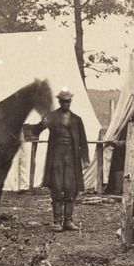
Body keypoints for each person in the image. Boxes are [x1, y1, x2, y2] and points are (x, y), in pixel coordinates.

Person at [29, 88, 90, 231]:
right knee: (56, 187)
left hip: (72, 157)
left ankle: (68, 221)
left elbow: (83, 140)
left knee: (70, 187)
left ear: (71, 102)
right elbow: (36, 131)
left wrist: (85, 159)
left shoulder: (77, 119)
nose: (65, 104)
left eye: (68, 101)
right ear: (59, 101)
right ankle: (57, 222)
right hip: (56, 156)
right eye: (63, 101)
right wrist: (40, 124)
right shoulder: (51, 116)